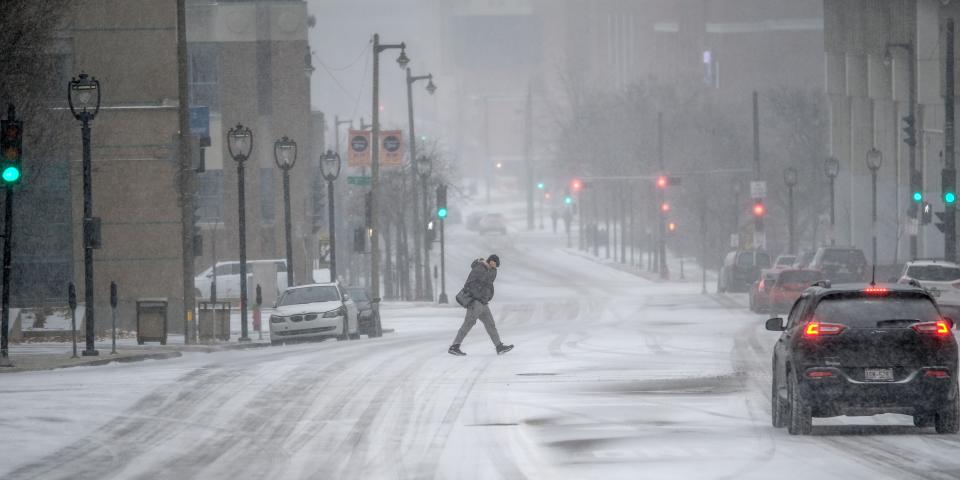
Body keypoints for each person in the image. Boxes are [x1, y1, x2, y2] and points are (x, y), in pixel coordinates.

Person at [449, 254, 513, 356]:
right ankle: (454, 346)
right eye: (495, 265)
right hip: (475, 302)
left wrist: (491, 270)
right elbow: (471, 283)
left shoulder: (489, 270)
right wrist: (475, 296)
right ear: (491, 261)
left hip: (483, 303)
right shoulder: (479, 268)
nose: (495, 268)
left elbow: (489, 281)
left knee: (490, 324)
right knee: (468, 324)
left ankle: (499, 347)